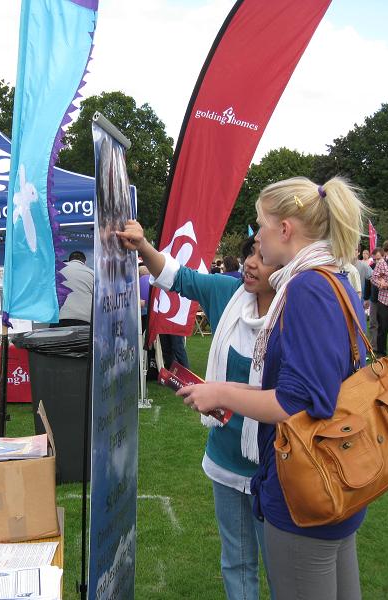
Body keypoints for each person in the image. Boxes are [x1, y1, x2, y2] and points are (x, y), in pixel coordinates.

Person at [176, 177, 369, 600]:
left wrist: (220, 393)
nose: (256, 237)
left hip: (307, 484)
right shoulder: (332, 277)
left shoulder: (307, 286)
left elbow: (300, 402)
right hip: (337, 476)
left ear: (285, 229)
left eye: (260, 224)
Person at [117, 224, 278, 600]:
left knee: (283, 570)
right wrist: (142, 245)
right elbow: (178, 277)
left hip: (275, 469)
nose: (251, 264)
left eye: (263, 257)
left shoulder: (296, 312)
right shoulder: (229, 293)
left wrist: (222, 393)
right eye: (250, 253)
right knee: (236, 563)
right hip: (224, 460)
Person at [54, 251, 94, 327]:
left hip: (59, 318)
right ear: (84, 261)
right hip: (84, 319)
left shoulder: (57, 269)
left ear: (70, 260)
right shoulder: (92, 273)